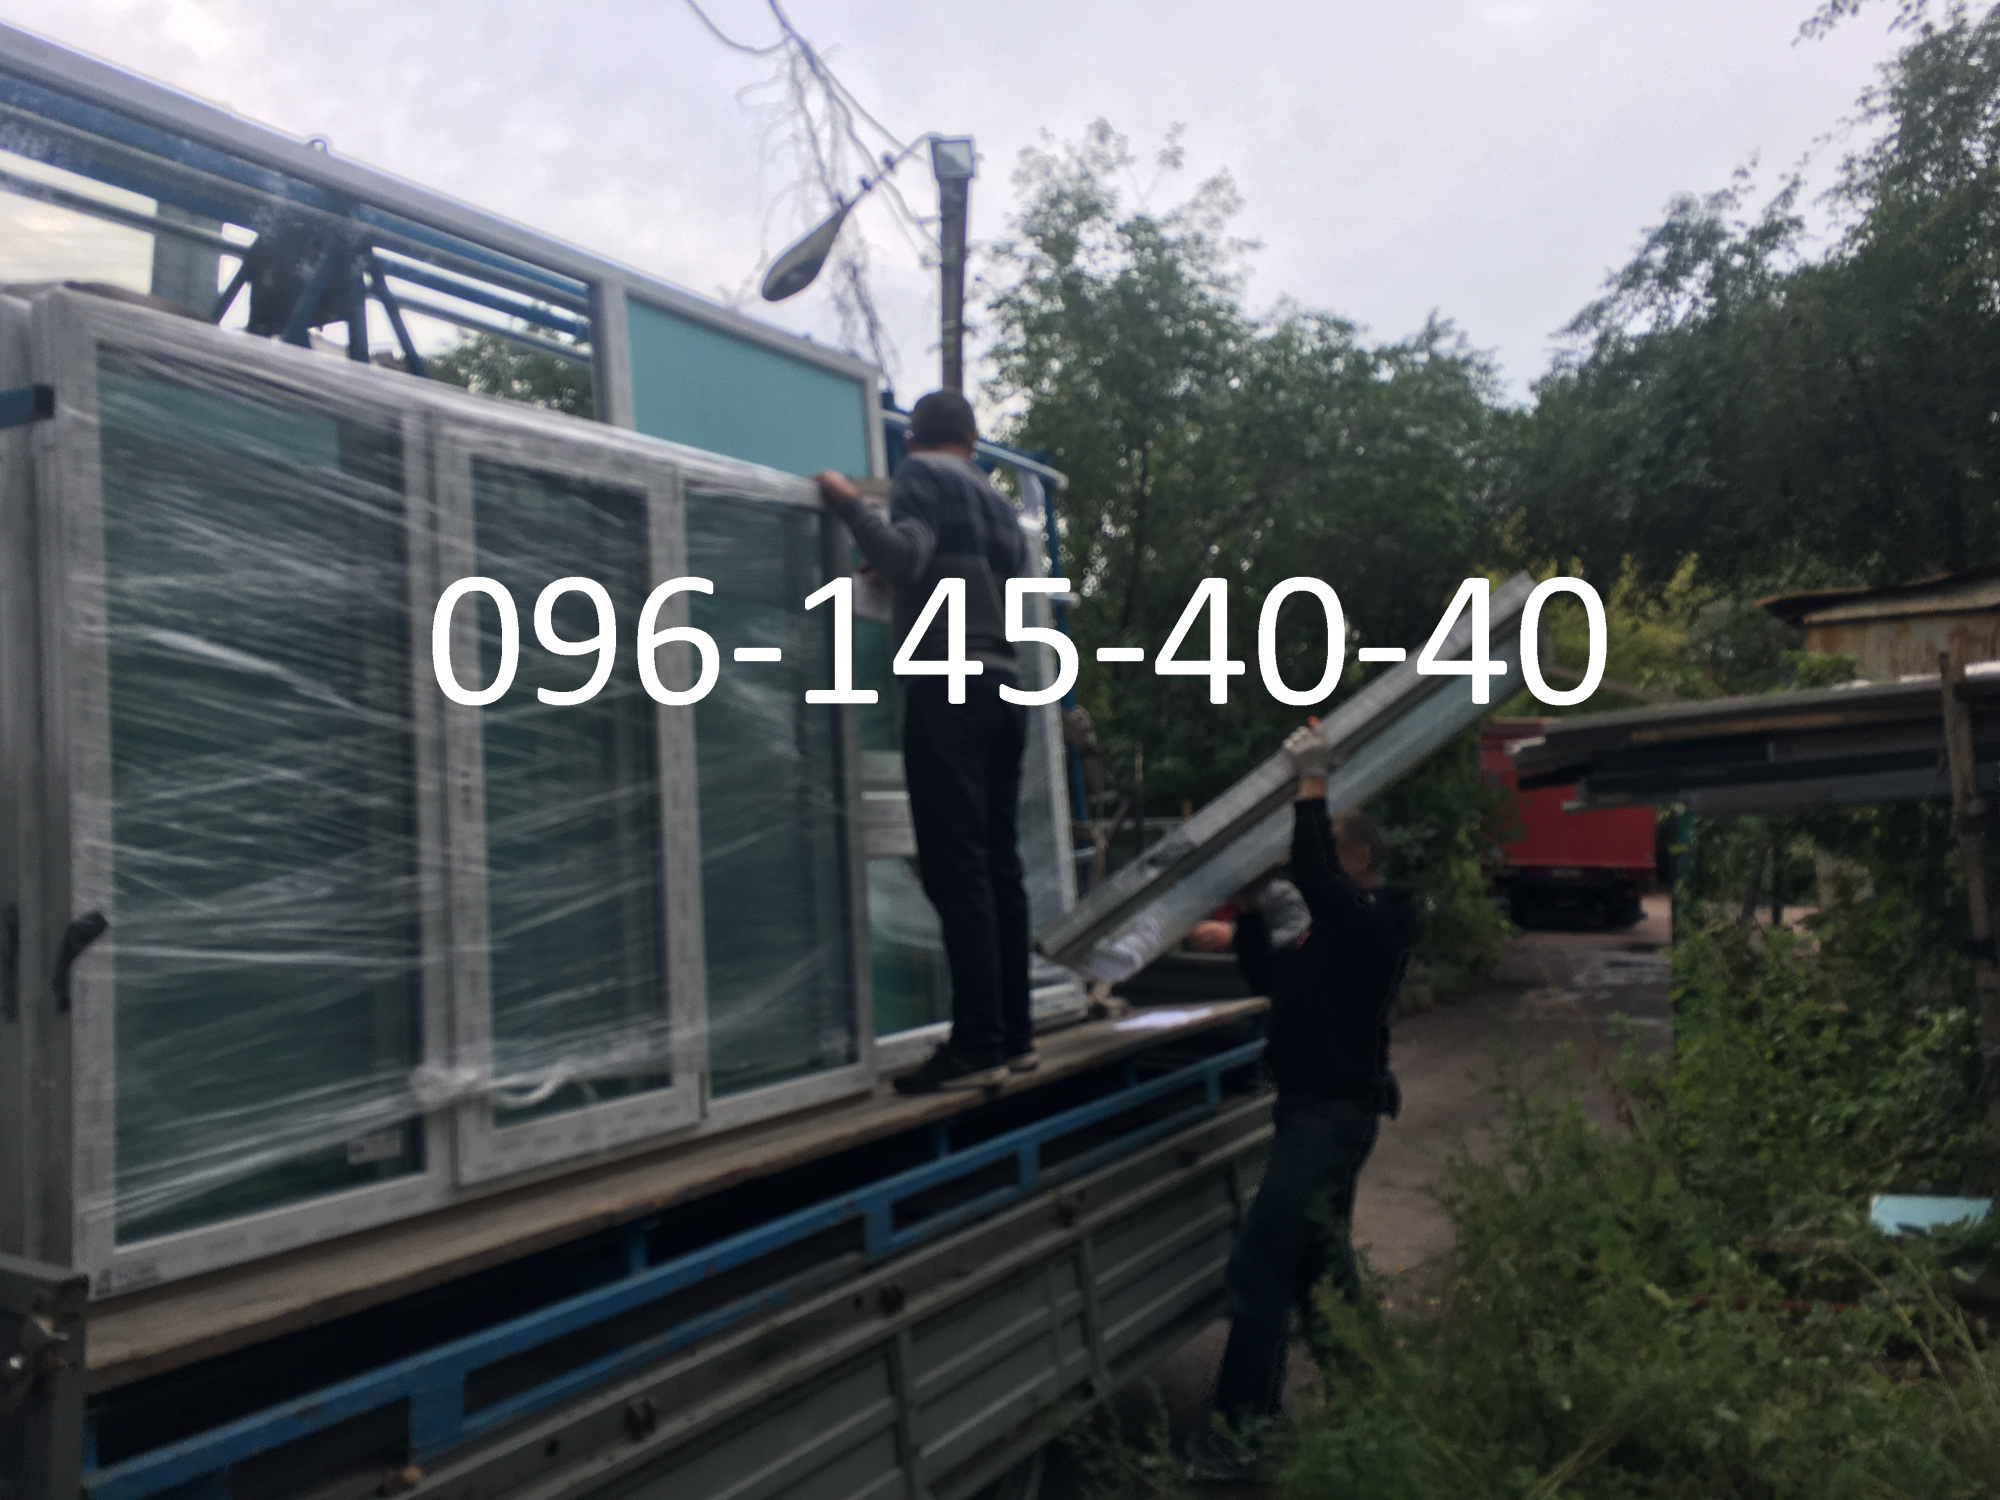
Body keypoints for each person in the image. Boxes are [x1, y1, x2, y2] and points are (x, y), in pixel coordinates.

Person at [1186, 725, 1417, 1481]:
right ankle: (1377, 1409)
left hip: (1329, 1118)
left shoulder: (1375, 923)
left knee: (1261, 1268)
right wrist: (1252, 907)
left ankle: (1241, 1436)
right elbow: (1269, 979)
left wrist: (1309, 783)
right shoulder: (1329, 939)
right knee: (1323, 1275)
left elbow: (1316, 875)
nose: (1302, 866)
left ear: (1360, 857)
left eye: (1324, 851)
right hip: (1315, 1114)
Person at [814, 391, 1033, 1094]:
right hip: (1004, 687)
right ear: (972, 438)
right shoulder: (1000, 505)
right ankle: (1013, 1035)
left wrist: (849, 504)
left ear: (912, 441)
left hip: (949, 687)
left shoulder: (920, 475)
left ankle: (976, 1045)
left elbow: (907, 557)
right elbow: (959, 578)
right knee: (998, 865)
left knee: (955, 867)